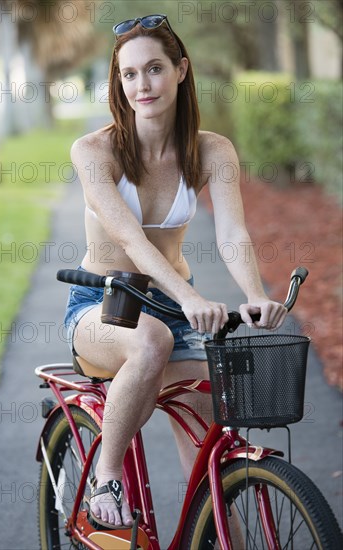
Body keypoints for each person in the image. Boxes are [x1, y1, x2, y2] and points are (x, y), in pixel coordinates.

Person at [64, 14, 287, 530]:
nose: (142, 85)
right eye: (129, 74)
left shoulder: (212, 150)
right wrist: (189, 297)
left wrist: (253, 293)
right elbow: (130, 238)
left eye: (155, 69)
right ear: (118, 83)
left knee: (211, 457)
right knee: (150, 343)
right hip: (101, 307)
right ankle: (107, 473)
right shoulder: (94, 151)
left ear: (182, 70)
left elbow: (233, 233)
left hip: (170, 310)